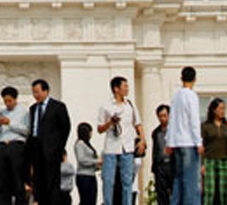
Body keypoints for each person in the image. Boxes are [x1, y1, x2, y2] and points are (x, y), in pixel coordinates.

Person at [98, 76, 145, 205]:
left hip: (127, 147)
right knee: (108, 181)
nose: (127, 89)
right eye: (124, 86)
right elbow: (100, 128)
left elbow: (138, 124)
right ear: (116, 89)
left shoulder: (130, 105)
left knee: (127, 181)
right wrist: (110, 123)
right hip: (111, 147)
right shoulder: (106, 106)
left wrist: (142, 139)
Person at [27, 78, 71, 205]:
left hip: (51, 151)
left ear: (46, 91)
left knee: (51, 182)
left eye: (37, 91)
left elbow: (66, 127)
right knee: (38, 181)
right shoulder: (33, 108)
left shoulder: (58, 106)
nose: (35, 95)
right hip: (36, 148)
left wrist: (58, 147)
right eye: (33, 92)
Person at [165, 66, 202, 205]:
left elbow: (172, 120)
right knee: (191, 180)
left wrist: (169, 141)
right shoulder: (191, 96)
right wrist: (198, 141)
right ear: (195, 79)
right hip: (189, 142)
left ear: (181, 78)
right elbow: (194, 120)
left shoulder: (176, 96)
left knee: (179, 179)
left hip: (177, 142)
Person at [0, 85, 29, 205]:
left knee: (17, 178)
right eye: (5, 101)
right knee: (2, 180)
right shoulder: (1, 112)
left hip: (16, 145)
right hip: (2, 146)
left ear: (15, 99)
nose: (7, 103)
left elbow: (27, 130)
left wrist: (10, 123)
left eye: (9, 101)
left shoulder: (23, 112)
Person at [201, 98, 227, 205]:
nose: (223, 111)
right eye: (220, 108)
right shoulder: (205, 126)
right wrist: (201, 164)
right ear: (213, 110)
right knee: (209, 192)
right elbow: (201, 145)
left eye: (224, 108)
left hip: (224, 160)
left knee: (224, 192)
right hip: (209, 161)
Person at [151, 105, 174, 205]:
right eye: (160, 116)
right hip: (160, 166)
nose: (162, 118)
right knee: (161, 195)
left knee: (175, 193)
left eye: (164, 116)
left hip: (172, 165)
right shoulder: (156, 132)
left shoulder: (175, 131)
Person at [74, 122, 100, 205]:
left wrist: (97, 166)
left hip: (91, 175)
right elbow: (81, 160)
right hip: (83, 176)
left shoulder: (88, 145)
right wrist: (97, 161)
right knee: (85, 201)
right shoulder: (80, 144)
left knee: (92, 200)